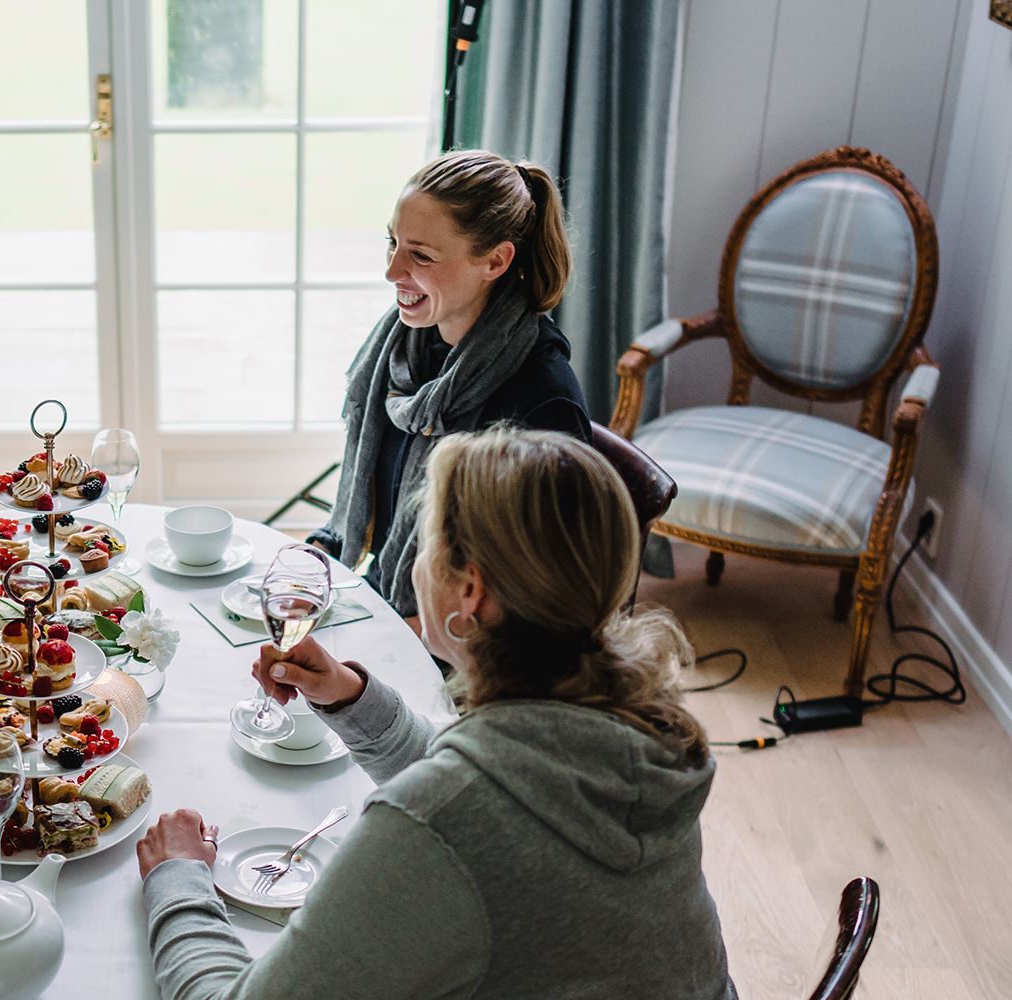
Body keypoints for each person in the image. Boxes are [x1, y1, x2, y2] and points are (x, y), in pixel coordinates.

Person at [136, 427, 733, 1000]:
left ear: (470, 591)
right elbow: (506, 791)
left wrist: (179, 877)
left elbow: (462, 814)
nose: (417, 564)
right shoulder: (640, 730)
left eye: (426, 546)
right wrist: (350, 697)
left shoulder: (428, 828)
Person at [310, 149, 591, 620]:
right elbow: (379, 516)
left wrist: (398, 636)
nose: (391, 271)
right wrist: (318, 557)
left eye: (420, 255)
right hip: (388, 600)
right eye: (393, 242)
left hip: (463, 640)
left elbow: (536, 599)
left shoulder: (542, 402)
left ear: (496, 261)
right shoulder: (404, 351)